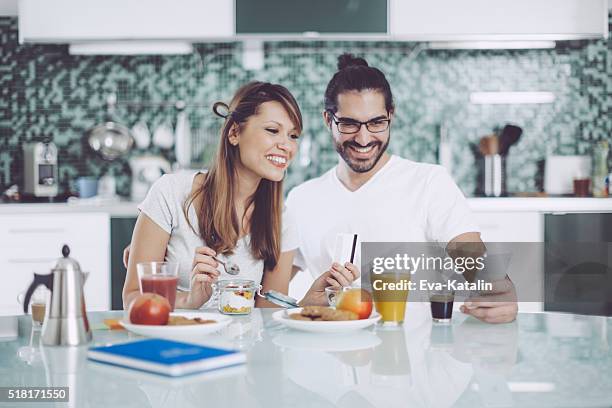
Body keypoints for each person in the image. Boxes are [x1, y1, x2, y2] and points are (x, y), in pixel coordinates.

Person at [283, 54, 518, 323]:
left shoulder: (429, 182)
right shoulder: (302, 199)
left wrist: (498, 289)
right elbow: (270, 294)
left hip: (414, 356)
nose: (363, 138)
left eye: (376, 122)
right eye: (349, 124)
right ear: (328, 120)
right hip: (333, 354)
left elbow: (475, 262)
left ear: (390, 116)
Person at [122, 81, 353, 310]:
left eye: (293, 136)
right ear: (234, 132)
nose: (287, 146)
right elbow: (133, 297)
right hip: (173, 344)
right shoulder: (170, 192)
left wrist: (306, 305)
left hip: (243, 348)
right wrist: (189, 301)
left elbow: (267, 320)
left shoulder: (281, 220)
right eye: (273, 130)